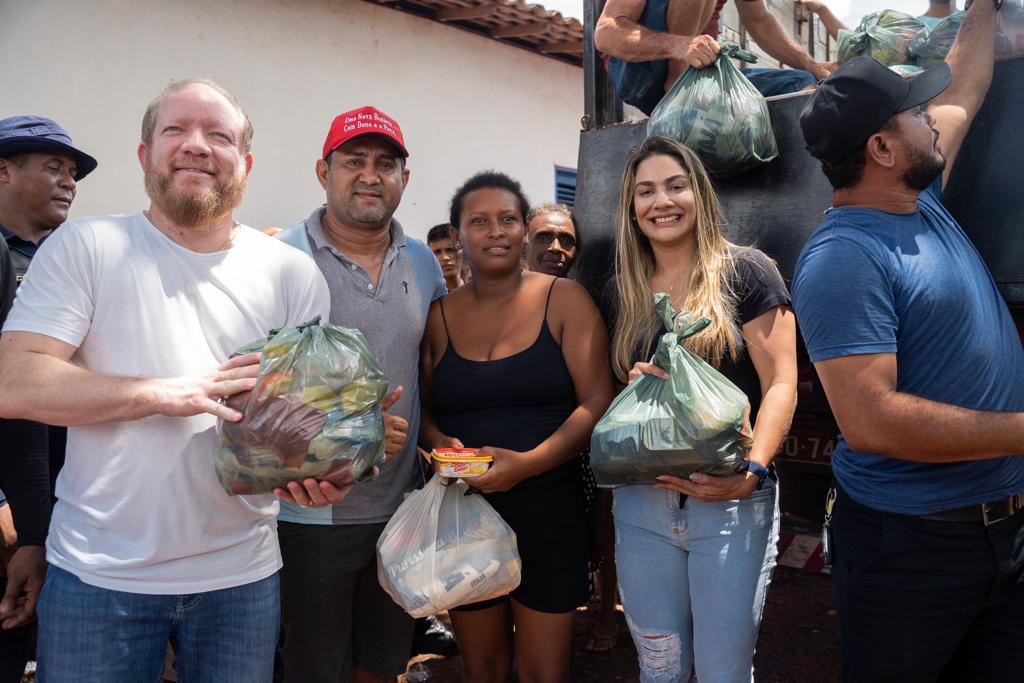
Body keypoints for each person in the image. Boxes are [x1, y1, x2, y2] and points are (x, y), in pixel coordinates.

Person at [0, 79, 337, 682]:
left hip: (243, 577)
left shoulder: (292, 273)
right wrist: (166, 393)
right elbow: (15, 381)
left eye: (219, 135)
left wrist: (325, 464)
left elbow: (295, 422)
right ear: (143, 154)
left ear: (246, 162)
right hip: (99, 577)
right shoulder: (87, 246)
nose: (196, 146)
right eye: (175, 130)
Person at [792, 2, 1024, 679]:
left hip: (1002, 537)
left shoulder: (920, 199)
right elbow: (872, 422)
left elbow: (965, 89)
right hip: (912, 553)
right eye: (915, 115)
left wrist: (980, 5)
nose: (933, 118)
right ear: (882, 150)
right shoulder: (844, 258)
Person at [602, 136, 796, 682]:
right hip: (641, 506)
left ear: (698, 194)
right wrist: (634, 385)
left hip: (730, 504)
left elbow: (783, 382)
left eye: (674, 186)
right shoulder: (623, 289)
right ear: (632, 207)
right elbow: (618, 391)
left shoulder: (748, 273)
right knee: (659, 670)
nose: (661, 201)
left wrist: (752, 473)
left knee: (723, 673)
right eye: (645, 191)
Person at [419, 172, 614, 682]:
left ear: (524, 230)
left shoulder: (564, 299)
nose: (495, 231)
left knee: (542, 671)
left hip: (550, 507)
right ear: (459, 235)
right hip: (465, 515)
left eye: (507, 219)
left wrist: (527, 465)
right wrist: (438, 442)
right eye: (478, 222)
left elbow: (597, 400)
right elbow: (423, 411)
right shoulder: (437, 317)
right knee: (482, 668)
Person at [275, 106, 445, 683]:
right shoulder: (280, 260)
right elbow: (256, 391)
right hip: (309, 511)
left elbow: (430, 370)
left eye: (385, 163)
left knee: (384, 661)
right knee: (315, 667)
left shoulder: (423, 262)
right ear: (323, 172)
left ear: (405, 177)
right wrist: (358, 427)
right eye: (354, 161)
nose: (370, 175)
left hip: (400, 511)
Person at [0, 115, 97, 681]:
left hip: (60, 505)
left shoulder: (73, 263)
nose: (68, 181)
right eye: (53, 167)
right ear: (4, 171)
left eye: (72, 172)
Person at [595, 0, 835, 115]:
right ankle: (677, 92)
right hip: (640, 74)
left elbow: (759, 21)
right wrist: (679, 46)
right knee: (683, 78)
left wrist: (811, 65)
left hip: (701, 74)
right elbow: (605, 33)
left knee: (802, 85)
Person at [523, 203, 579, 277]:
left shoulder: (577, 288)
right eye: (544, 239)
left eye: (566, 241)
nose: (556, 248)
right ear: (524, 245)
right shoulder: (505, 286)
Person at [427, 222, 463, 291]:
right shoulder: (425, 299)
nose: (444, 257)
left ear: (461, 252)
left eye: (450, 250)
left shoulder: (482, 292)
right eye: (437, 252)